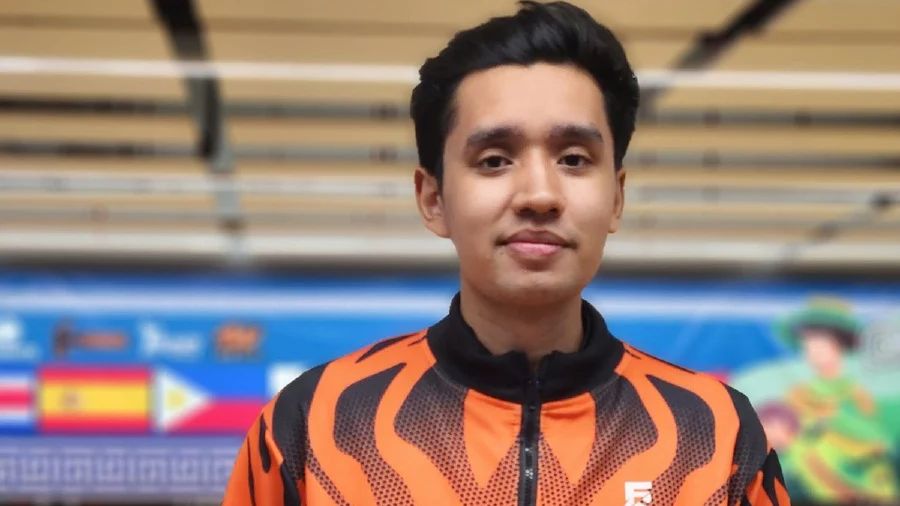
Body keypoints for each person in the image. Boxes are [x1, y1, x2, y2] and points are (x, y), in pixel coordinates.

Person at [221, 2, 791, 505]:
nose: (539, 195)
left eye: (574, 159)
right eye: (494, 160)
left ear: (616, 198)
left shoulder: (716, 435)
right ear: (434, 199)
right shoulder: (311, 427)